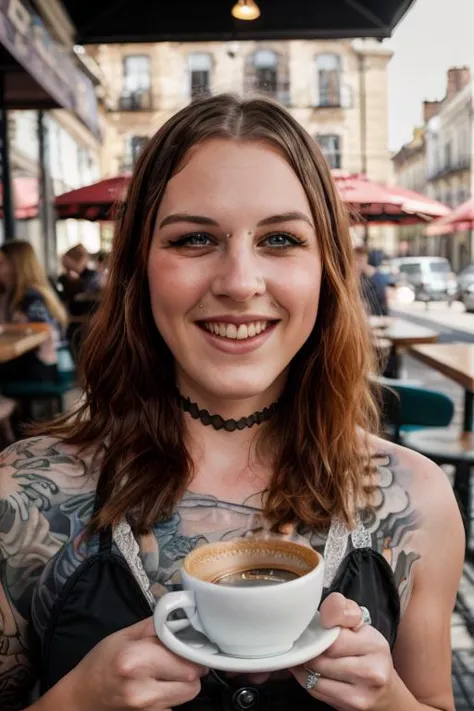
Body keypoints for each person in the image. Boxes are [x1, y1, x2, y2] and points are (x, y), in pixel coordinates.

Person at [0, 94, 463, 711]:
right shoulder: (19, 495)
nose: (240, 282)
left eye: (279, 238)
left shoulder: (419, 500)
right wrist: (78, 700)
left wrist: (389, 703)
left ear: (326, 269)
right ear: (139, 266)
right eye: (194, 238)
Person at [0, 240, 67, 383]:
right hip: (41, 364)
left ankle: (6, 404)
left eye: (1, 263)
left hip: (45, 368)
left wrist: (4, 327)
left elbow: (43, 329)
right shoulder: (16, 294)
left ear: (15, 266)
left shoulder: (31, 296)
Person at [354, 246, 389, 316]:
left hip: (377, 316)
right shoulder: (352, 280)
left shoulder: (374, 277)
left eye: (363, 260)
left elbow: (382, 299)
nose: (360, 264)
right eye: (358, 260)